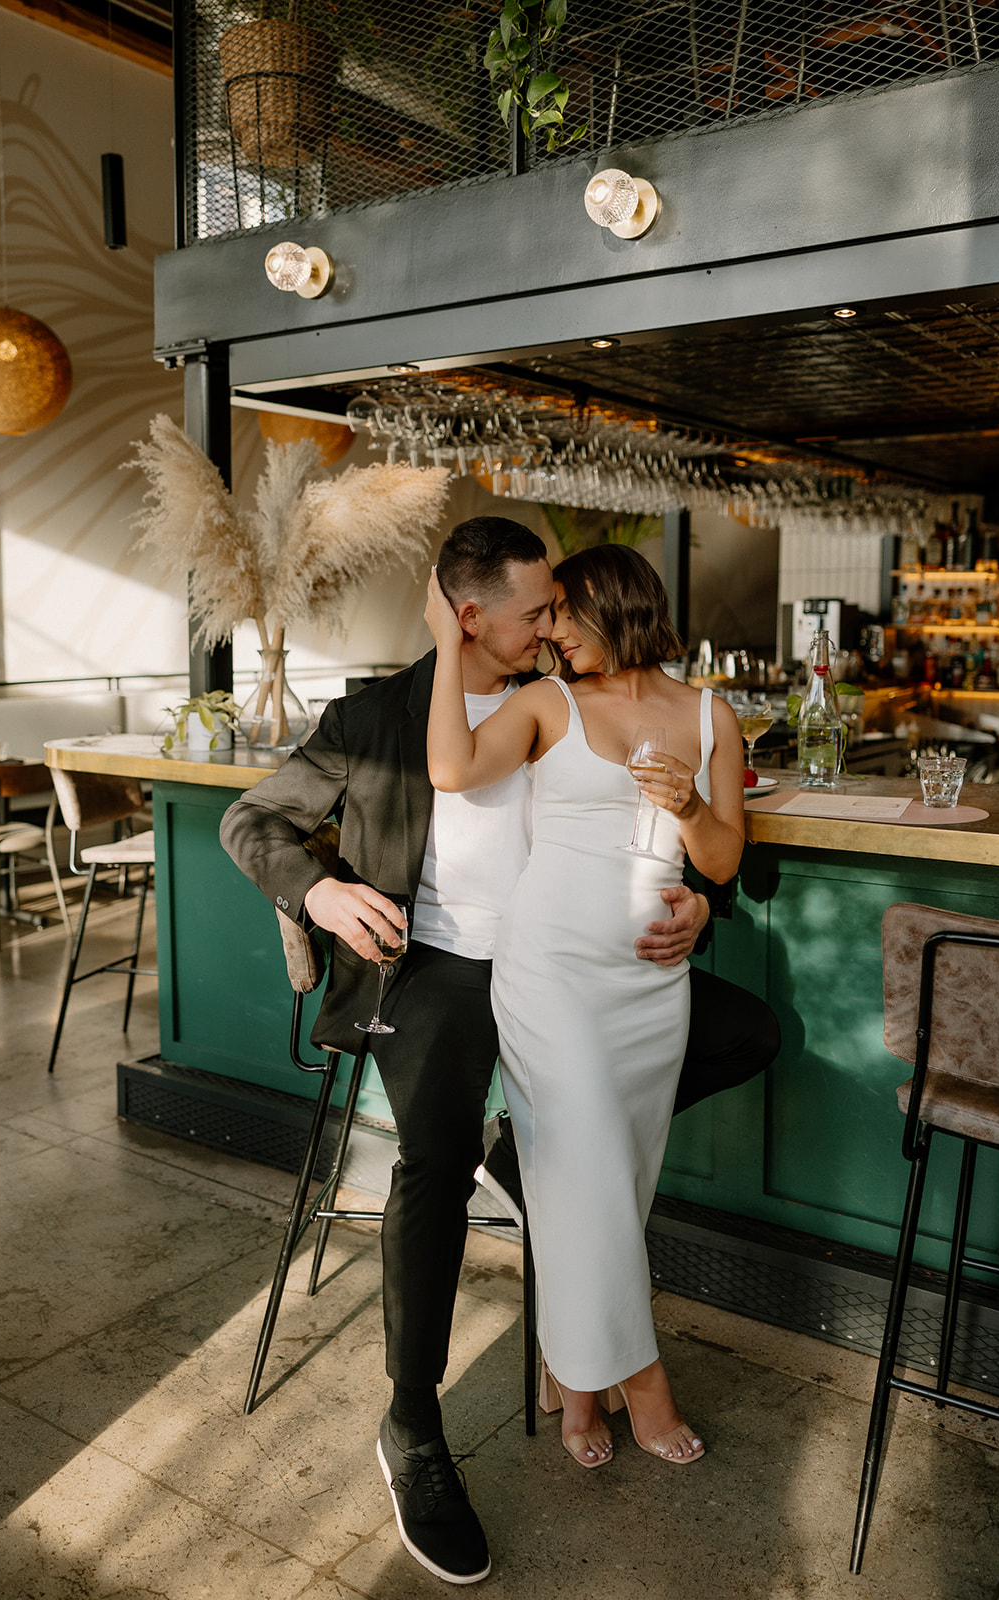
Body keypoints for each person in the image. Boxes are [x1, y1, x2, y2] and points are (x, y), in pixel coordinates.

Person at [220, 517, 774, 1585]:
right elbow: (252, 823)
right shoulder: (378, 715)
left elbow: (657, 836)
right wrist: (323, 891)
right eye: (536, 609)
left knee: (744, 1028)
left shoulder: (574, 698)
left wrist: (694, 907)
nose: (553, 622)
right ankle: (413, 1426)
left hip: (574, 968)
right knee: (428, 1163)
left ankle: (526, 1158)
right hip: (432, 970)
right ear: (468, 614)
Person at [424, 541, 746, 1475]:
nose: (551, 630)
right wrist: (450, 642)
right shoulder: (545, 704)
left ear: (615, 606)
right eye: (546, 614)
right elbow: (452, 769)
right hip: (550, 972)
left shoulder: (709, 714)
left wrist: (688, 809)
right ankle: (642, 1385)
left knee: (612, 1185)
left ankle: (572, 1373)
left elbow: (720, 861)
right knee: (596, 1176)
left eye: (564, 611)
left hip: (651, 986)